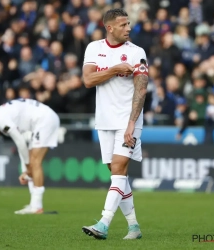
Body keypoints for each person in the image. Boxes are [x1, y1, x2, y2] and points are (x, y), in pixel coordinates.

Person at [81, 9, 149, 240]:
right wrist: (113, 70)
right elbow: (88, 80)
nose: (128, 28)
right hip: (105, 120)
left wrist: (132, 124)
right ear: (109, 28)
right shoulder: (94, 48)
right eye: (122, 25)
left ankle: (103, 223)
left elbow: (141, 89)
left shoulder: (137, 52)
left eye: (128, 24)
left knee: (119, 169)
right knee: (116, 175)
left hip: (128, 120)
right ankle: (134, 226)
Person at [0, 98, 60, 214]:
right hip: (43, 119)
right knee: (32, 161)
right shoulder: (1, 115)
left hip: (44, 120)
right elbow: (21, 143)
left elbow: (20, 142)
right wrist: (26, 169)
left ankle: (37, 207)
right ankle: (34, 204)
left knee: (35, 162)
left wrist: (28, 165)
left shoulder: (1, 121)